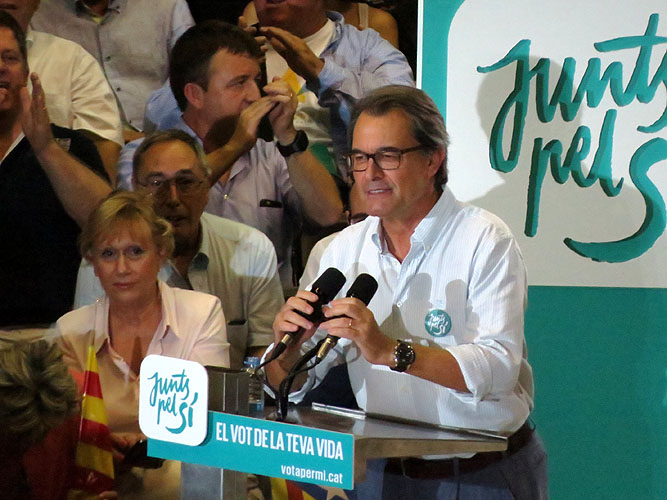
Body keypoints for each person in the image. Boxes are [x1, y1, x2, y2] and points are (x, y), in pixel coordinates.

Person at [267, 86, 547, 499]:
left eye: (388, 156)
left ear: (433, 159)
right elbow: (290, 387)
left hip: (481, 472)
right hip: (385, 473)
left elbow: (498, 367)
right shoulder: (337, 252)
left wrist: (389, 351)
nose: (370, 174)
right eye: (359, 158)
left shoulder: (484, 239)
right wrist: (287, 349)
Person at [119, 21, 343, 292]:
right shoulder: (143, 155)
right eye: (239, 83)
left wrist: (288, 137)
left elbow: (328, 214)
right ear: (195, 95)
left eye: (256, 81)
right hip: (174, 307)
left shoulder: (271, 153)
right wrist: (234, 147)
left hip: (265, 307)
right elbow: (136, 221)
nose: (254, 95)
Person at [56, 190, 230, 498]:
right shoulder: (70, 331)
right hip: (98, 476)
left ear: (161, 252)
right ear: (92, 261)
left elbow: (209, 417)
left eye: (135, 251)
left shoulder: (202, 313)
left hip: (183, 476)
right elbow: (65, 430)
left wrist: (149, 443)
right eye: (108, 254)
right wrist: (101, 442)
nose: (122, 268)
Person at [75, 130, 285, 369]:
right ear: (134, 188)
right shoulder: (109, 261)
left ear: (206, 187)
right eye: (157, 183)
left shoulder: (252, 248)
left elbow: (266, 352)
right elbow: (89, 353)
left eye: (186, 182)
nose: (173, 198)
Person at [0, 10, 111, 328]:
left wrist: (45, 148)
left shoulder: (69, 146)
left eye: (9, 58)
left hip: (54, 336)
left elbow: (110, 224)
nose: (0, 67)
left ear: (26, 72)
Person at [31, 0, 194, 141]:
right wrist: (110, 139)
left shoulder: (168, 6)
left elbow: (191, 75)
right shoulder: (37, 14)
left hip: (169, 138)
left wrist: (157, 135)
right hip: (87, 144)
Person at [0, 0, 124, 179]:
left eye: (10, 58)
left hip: (52, 187)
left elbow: (102, 144)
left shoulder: (72, 59)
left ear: (37, 3)